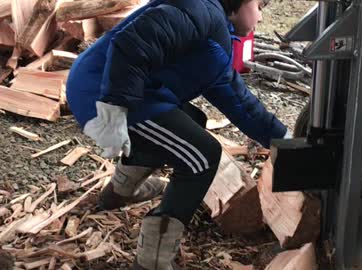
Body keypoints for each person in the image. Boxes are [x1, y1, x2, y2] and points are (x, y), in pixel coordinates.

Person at [66, 0, 290, 269]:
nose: (261, 18)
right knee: (202, 157)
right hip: (103, 93)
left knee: (192, 121)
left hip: (133, 92)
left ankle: (120, 191)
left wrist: (284, 140)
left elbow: (239, 103)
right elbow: (134, 43)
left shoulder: (215, 35)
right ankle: (152, 261)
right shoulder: (200, 11)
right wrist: (114, 106)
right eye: (259, 6)